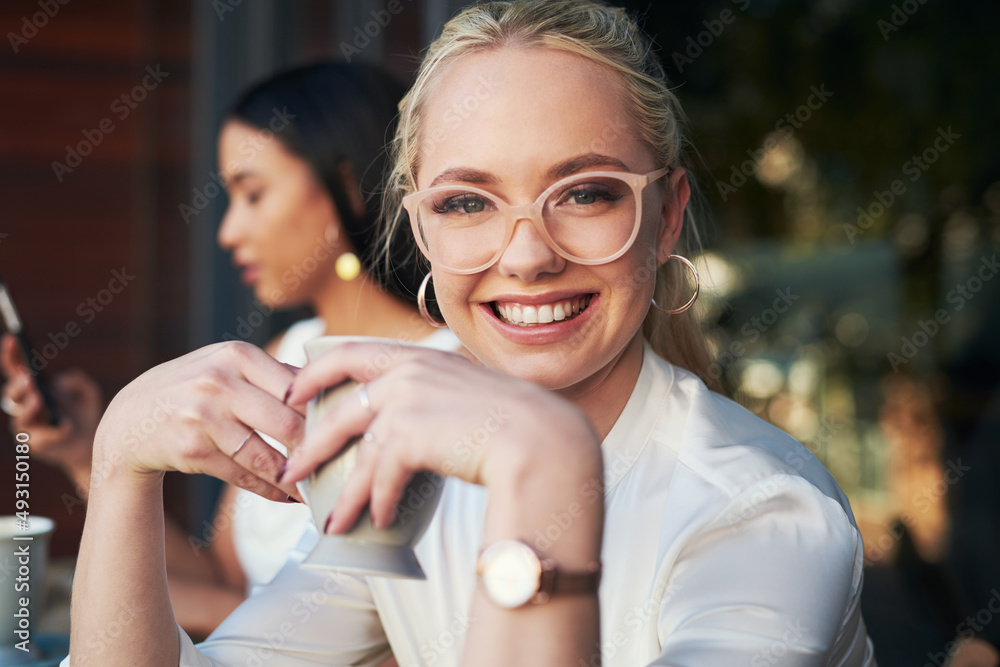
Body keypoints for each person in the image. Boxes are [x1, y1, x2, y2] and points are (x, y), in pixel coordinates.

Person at [62, 1, 875, 665]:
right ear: (420, 228)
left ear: (665, 221)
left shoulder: (767, 512)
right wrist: (121, 454)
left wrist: (544, 466)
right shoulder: (408, 460)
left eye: (586, 193)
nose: (526, 256)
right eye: (466, 203)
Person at [1, 62, 455, 640]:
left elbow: (394, 635)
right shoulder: (283, 354)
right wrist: (89, 453)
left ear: (345, 185)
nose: (228, 231)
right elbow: (223, 582)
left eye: (254, 194)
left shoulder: (451, 371)